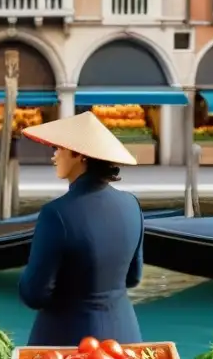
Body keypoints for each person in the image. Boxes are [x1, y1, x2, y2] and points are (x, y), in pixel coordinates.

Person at [17, 111, 145, 346]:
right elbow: (133, 277)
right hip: (124, 337)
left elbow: (33, 294)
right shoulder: (131, 204)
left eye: (58, 149)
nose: (54, 157)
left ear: (79, 155)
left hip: (70, 343)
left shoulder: (56, 213)